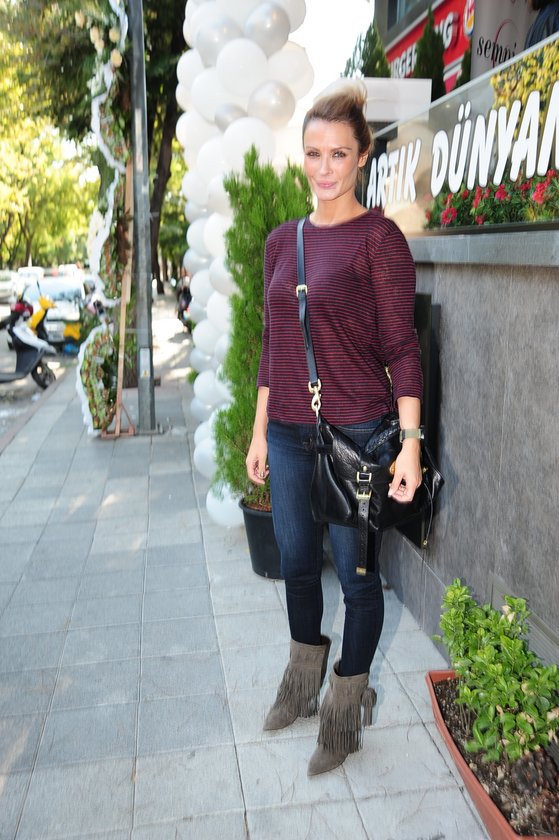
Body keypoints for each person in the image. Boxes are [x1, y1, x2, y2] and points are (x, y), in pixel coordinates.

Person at [245, 81, 423, 776]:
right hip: (288, 435)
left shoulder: (379, 239)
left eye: (338, 154)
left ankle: (344, 714)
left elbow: (402, 347)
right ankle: (300, 685)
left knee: (356, 581)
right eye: (313, 153)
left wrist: (409, 444)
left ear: (362, 155)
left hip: (355, 435)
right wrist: (260, 430)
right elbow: (274, 343)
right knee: (295, 564)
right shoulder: (280, 242)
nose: (324, 168)